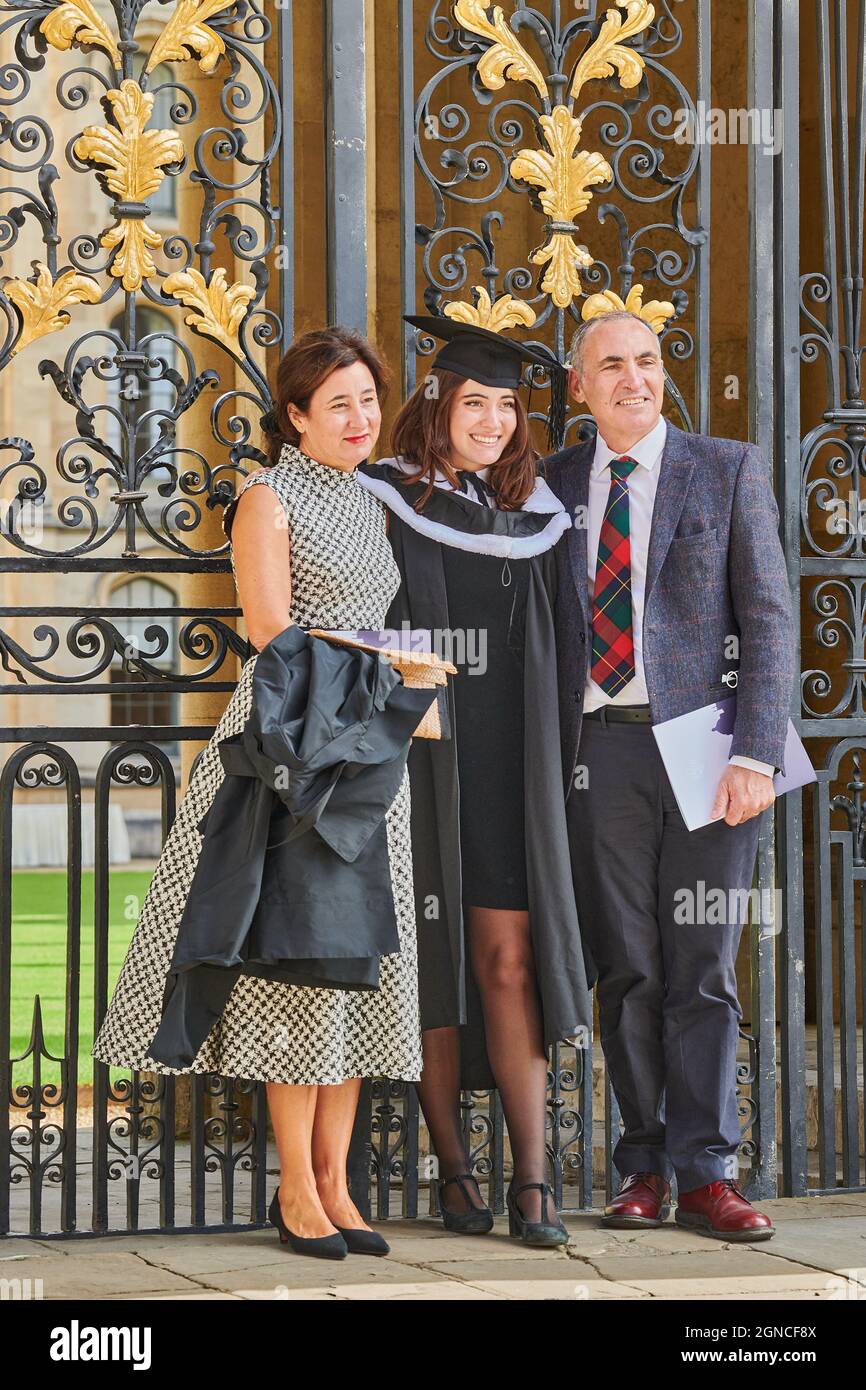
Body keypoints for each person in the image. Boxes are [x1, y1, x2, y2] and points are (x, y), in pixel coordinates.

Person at [91, 327, 423, 1260]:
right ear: (296, 416)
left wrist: (395, 678)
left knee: (359, 965)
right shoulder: (267, 498)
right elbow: (275, 627)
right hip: (290, 742)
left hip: (368, 744)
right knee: (298, 964)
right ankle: (294, 1188)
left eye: (368, 401)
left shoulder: (374, 501)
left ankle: (337, 1179)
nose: (360, 419)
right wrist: (392, 662)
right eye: (340, 405)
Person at [543, 308, 796, 1241]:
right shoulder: (555, 484)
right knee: (630, 969)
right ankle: (640, 1168)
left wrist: (756, 754)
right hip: (598, 754)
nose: (633, 379)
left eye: (646, 362)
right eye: (611, 365)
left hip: (708, 749)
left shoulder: (725, 468)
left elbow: (768, 617)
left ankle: (707, 1176)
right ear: (580, 387)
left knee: (703, 970)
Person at [357, 313, 593, 1247]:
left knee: (508, 958)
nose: (492, 420)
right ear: (437, 404)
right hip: (422, 750)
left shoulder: (535, 514)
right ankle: (455, 1167)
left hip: (510, 758)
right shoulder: (386, 495)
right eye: (474, 402)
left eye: (506, 405)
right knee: (430, 962)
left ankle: (532, 1177)